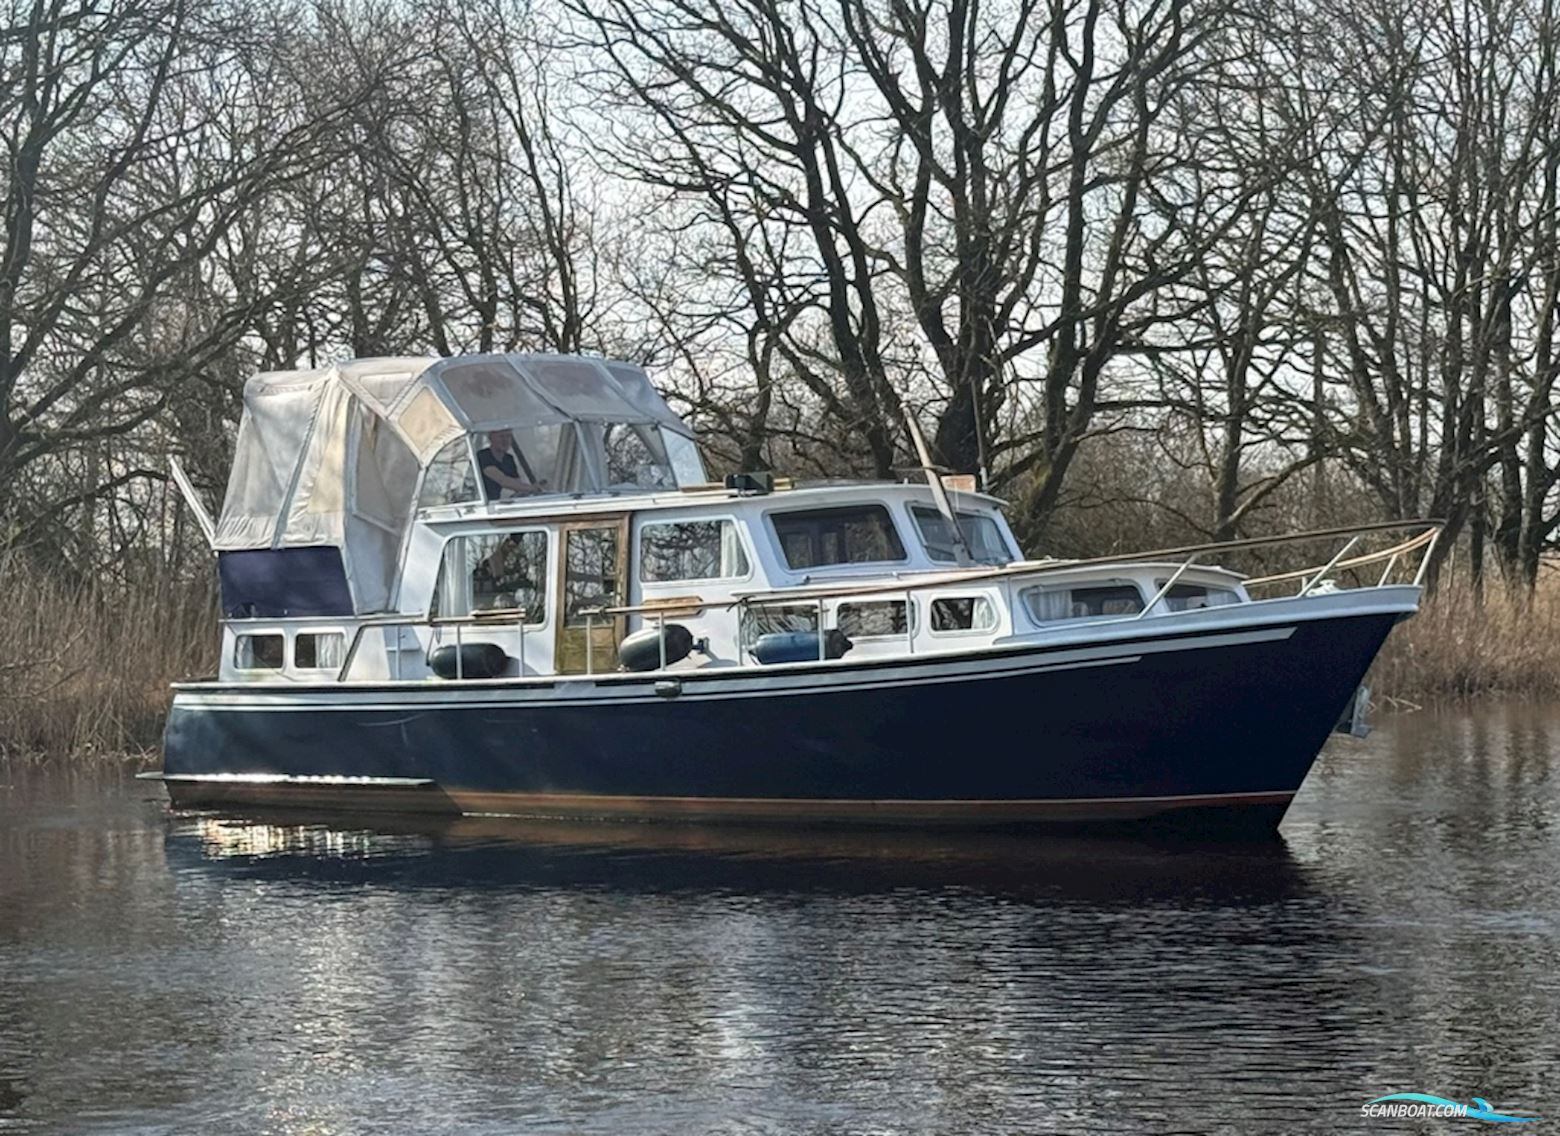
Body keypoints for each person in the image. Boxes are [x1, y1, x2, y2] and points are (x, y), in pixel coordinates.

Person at [476, 429, 544, 500]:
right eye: (501, 436)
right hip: (482, 503)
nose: (505, 440)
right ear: (491, 438)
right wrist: (530, 488)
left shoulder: (509, 459)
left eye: (508, 436)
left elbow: (517, 484)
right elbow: (502, 480)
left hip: (499, 501)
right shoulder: (483, 456)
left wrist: (534, 488)